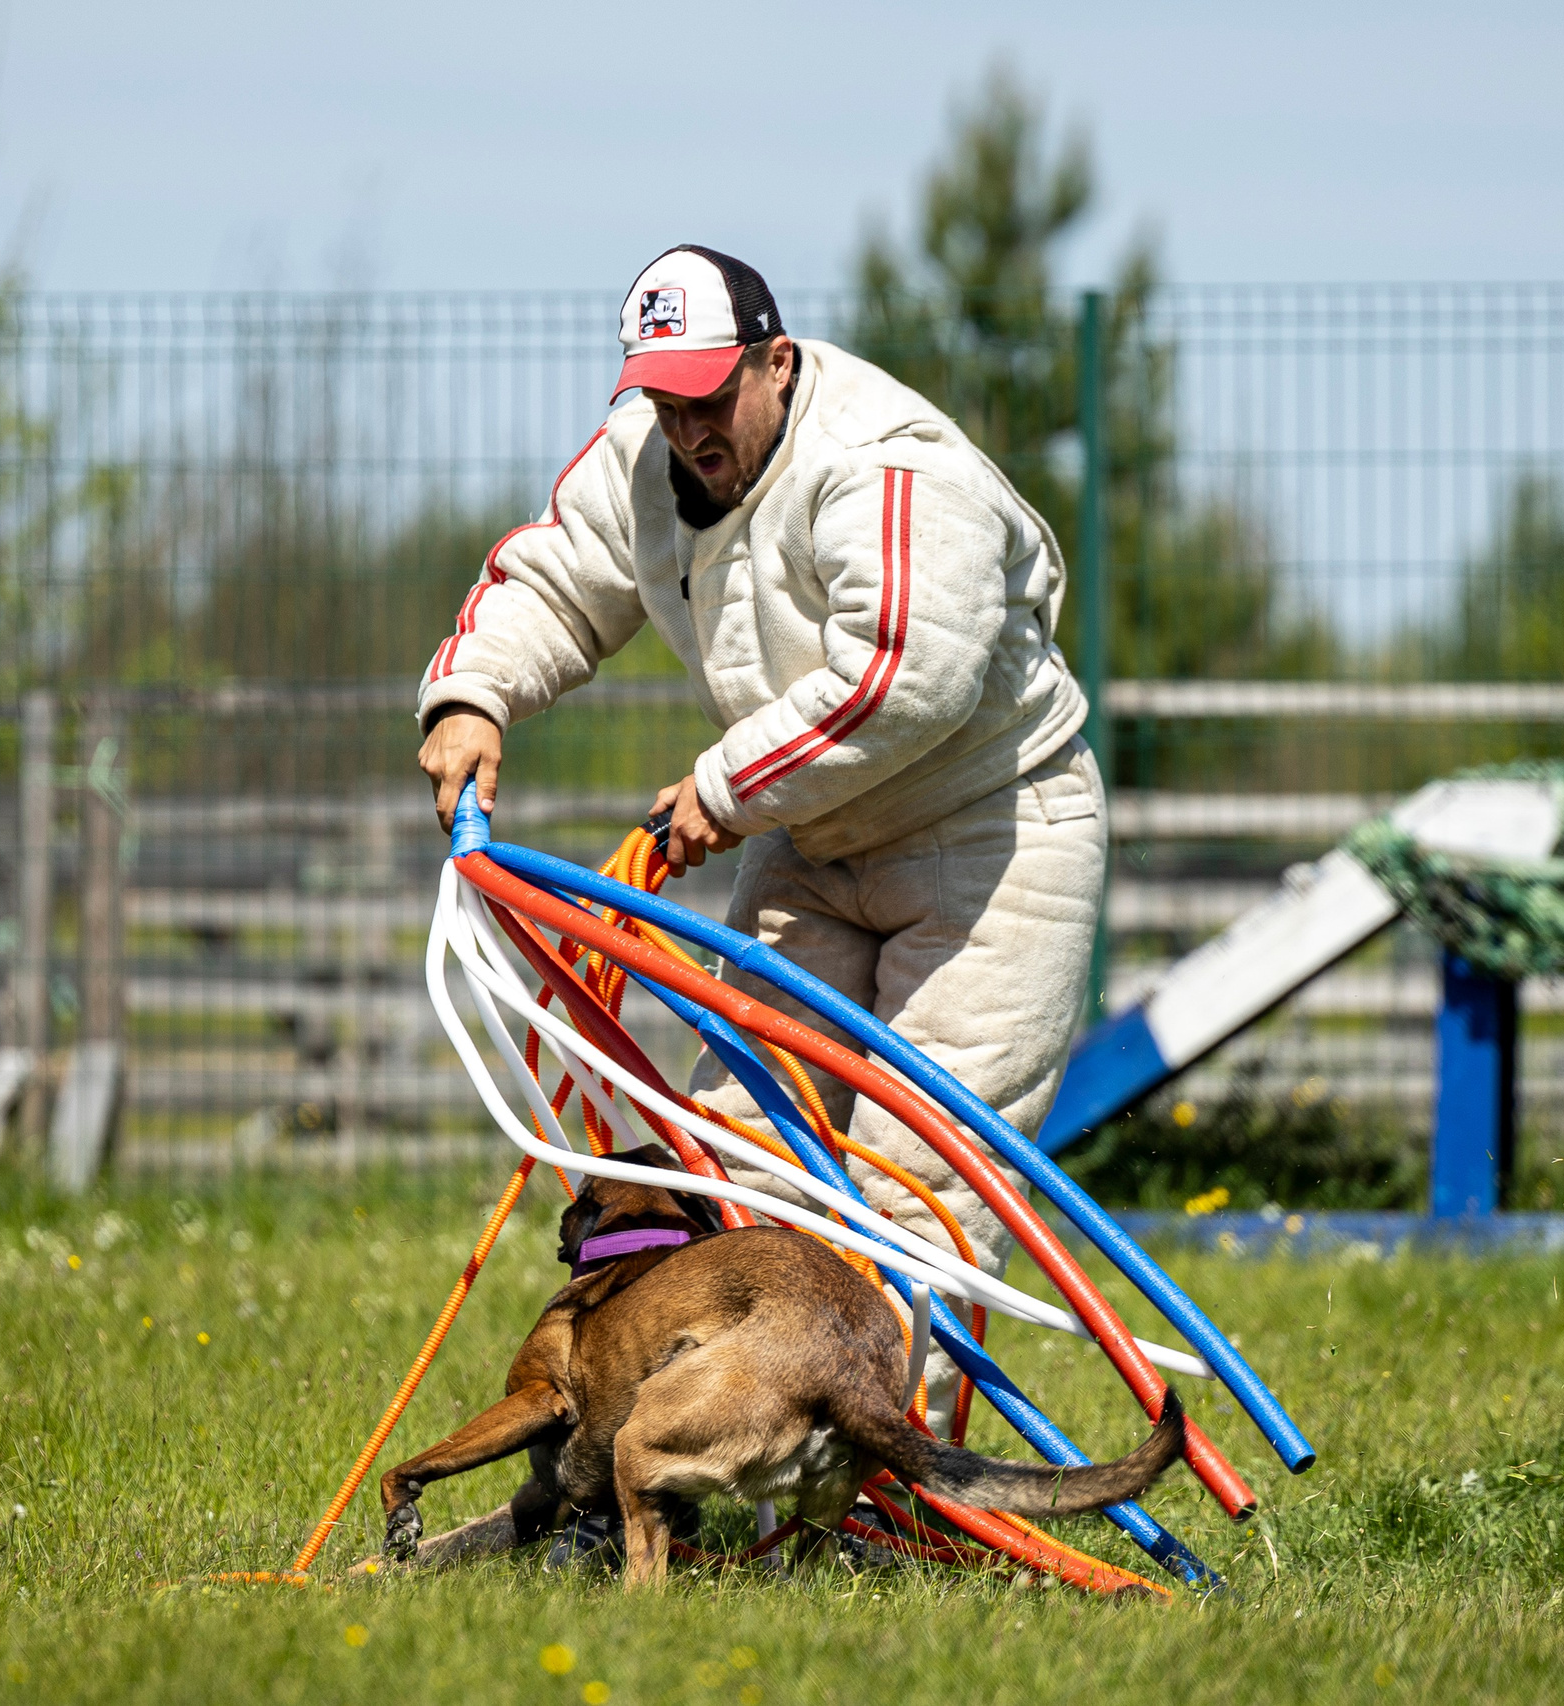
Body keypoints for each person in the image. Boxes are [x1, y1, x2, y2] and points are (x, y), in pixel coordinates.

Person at [416, 245, 1104, 1430]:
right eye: (663, 400)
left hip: (992, 839)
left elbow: (904, 674)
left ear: (776, 362)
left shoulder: (888, 464)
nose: (687, 428)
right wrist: (473, 693)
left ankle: (886, 1504)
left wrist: (722, 789)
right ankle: (726, 1486)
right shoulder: (646, 461)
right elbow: (558, 574)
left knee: (922, 1190)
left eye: (709, 394)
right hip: (811, 843)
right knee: (738, 1168)